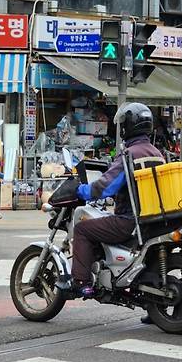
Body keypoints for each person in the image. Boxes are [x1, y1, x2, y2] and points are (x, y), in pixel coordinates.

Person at [72, 103, 165, 305]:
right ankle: (153, 306)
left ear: (126, 127)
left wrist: (82, 191)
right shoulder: (157, 153)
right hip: (151, 220)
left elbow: (107, 186)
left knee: (82, 229)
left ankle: (82, 282)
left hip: (128, 221)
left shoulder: (130, 154)